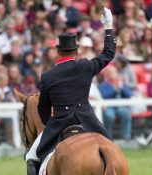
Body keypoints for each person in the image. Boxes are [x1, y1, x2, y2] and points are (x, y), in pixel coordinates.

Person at [26, 7, 116, 175]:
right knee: (111, 149)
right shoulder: (85, 66)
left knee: (32, 157)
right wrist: (108, 28)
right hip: (88, 120)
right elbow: (108, 54)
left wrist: (49, 123)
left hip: (60, 122)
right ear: (76, 51)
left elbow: (43, 109)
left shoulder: (48, 76)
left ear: (58, 51)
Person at [98, 66, 132, 139]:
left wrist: (121, 88)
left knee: (126, 114)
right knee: (109, 116)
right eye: (110, 73)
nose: (112, 74)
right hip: (109, 107)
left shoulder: (122, 83)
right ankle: (108, 137)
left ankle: (126, 137)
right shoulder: (102, 85)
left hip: (121, 106)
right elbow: (104, 96)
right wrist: (115, 90)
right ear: (106, 75)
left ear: (117, 73)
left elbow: (128, 95)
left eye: (114, 72)